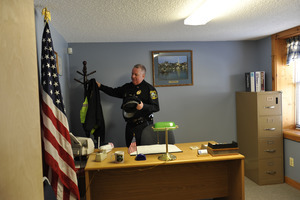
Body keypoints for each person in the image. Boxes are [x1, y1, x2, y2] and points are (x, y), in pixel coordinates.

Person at [97, 64, 160, 147]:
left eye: (136, 75)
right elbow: (113, 91)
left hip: (144, 126)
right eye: (132, 74)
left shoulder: (149, 89)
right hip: (130, 126)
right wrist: (100, 86)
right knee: (130, 151)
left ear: (143, 76)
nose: (133, 76)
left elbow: (156, 107)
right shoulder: (127, 87)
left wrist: (143, 106)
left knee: (144, 151)